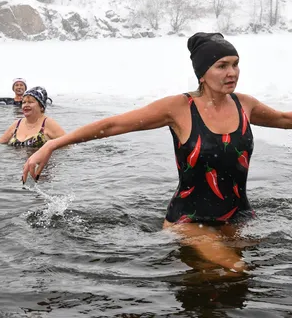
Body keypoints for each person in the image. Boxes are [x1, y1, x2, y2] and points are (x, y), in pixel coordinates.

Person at [22, 32, 292, 275]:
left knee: (217, 281)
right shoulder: (179, 108)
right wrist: (51, 144)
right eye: (222, 66)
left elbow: (283, 119)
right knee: (237, 270)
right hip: (189, 220)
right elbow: (112, 125)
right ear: (202, 73)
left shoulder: (244, 104)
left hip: (239, 216)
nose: (232, 72)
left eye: (235, 64)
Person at [0, 86, 65, 148]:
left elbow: (68, 146)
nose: (26, 105)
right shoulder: (17, 124)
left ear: (41, 107)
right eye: (24, 102)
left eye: (30, 102)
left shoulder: (48, 123)